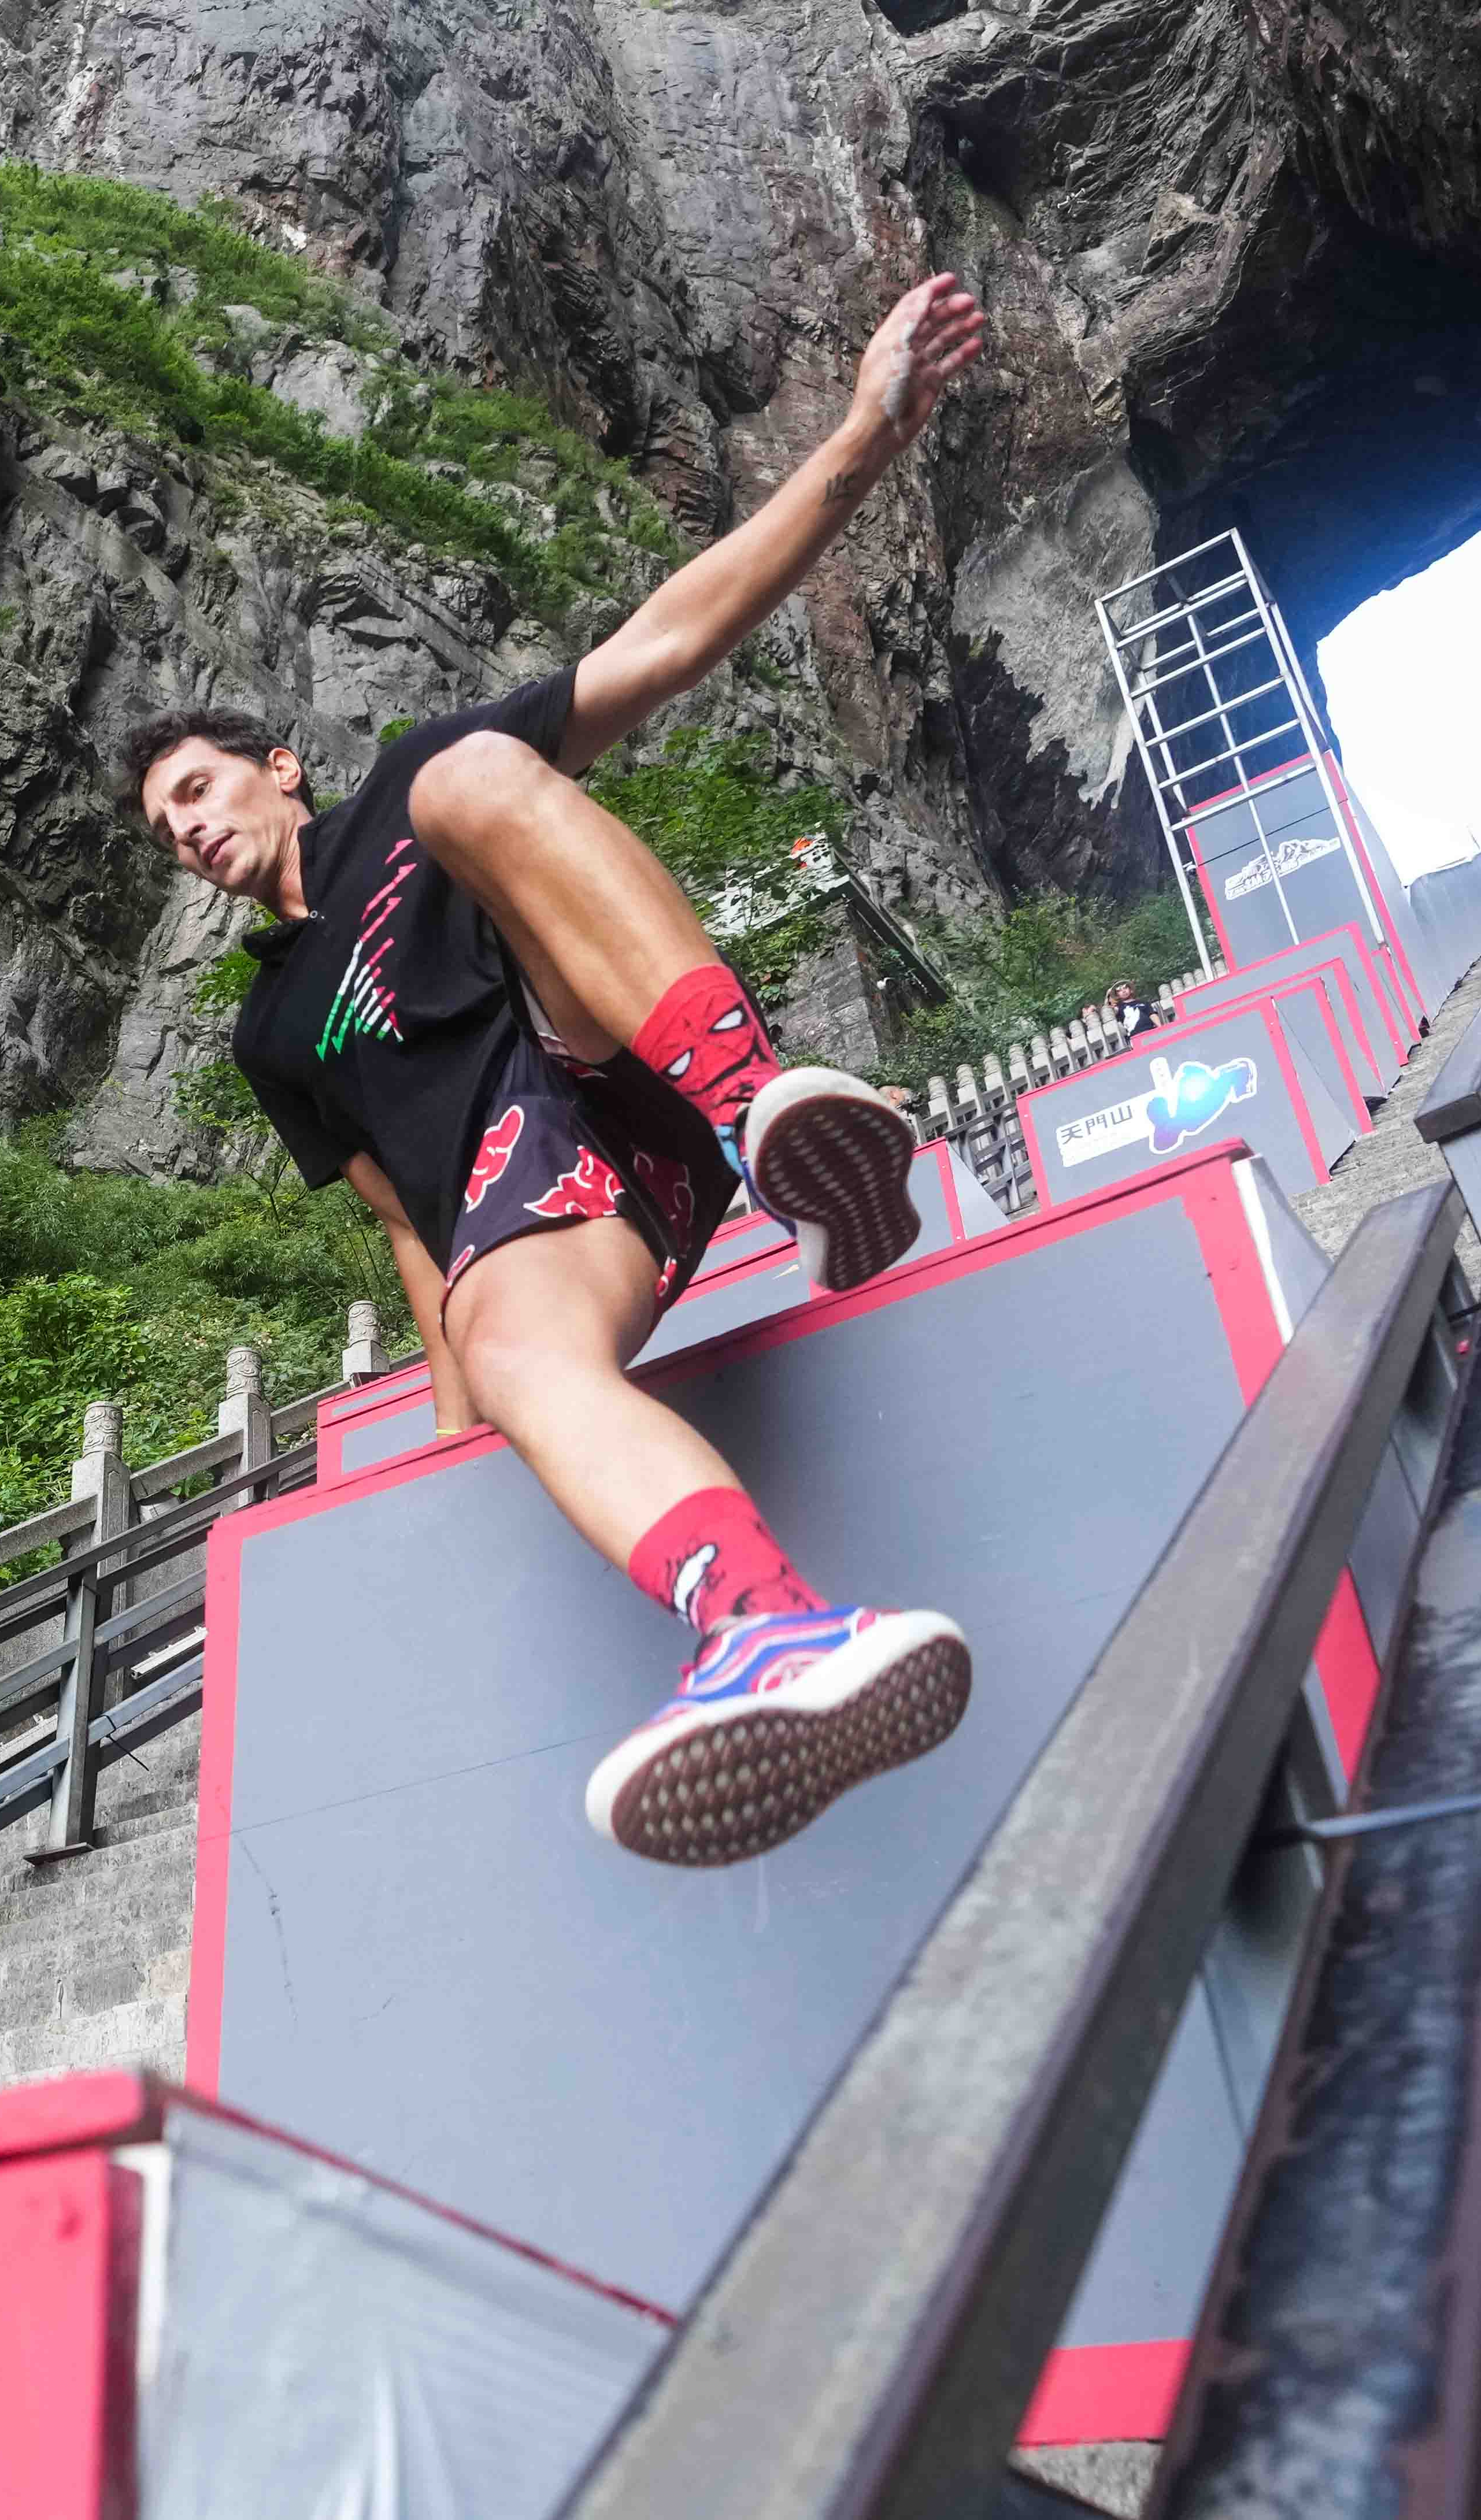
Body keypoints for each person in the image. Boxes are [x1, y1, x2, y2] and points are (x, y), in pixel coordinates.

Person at [123, 272, 989, 1869]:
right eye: (165, 825)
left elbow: (667, 641)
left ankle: (766, 1107)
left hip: (611, 1043)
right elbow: (406, 1227)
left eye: (197, 786)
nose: (187, 827)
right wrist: (468, 1433)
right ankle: (776, 1633)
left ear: (276, 769)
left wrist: (866, 434)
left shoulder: (397, 790)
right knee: (514, 1352)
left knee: (472, 777)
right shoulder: (266, 1037)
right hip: (546, 1199)